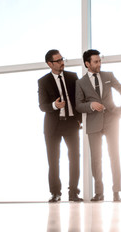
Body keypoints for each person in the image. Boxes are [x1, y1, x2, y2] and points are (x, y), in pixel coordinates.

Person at [75, 49, 121, 202]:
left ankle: (116, 191)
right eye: (96, 61)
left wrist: (120, 110)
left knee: (114, 156)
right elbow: (78, 105)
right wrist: (91, 105)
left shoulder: (108, 76)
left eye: (100, 61)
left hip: (112, 120)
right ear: (87, 63)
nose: (99, 64)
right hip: (93, 123)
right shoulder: (80, 83)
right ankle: (99, 193)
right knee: (96, 159)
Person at [38, 49, 83, 202]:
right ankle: (55, 193)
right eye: (58, 60)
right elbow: (42, 106)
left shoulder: (72, 77)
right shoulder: (43, 81)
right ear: (49, 64)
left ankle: (73, 192)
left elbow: (78, 99)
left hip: (71, 123)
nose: (62, 62)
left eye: (62, 59)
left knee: (75, 158)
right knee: (53, 160)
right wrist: (55, 105)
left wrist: (79, 120)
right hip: (53, 127)